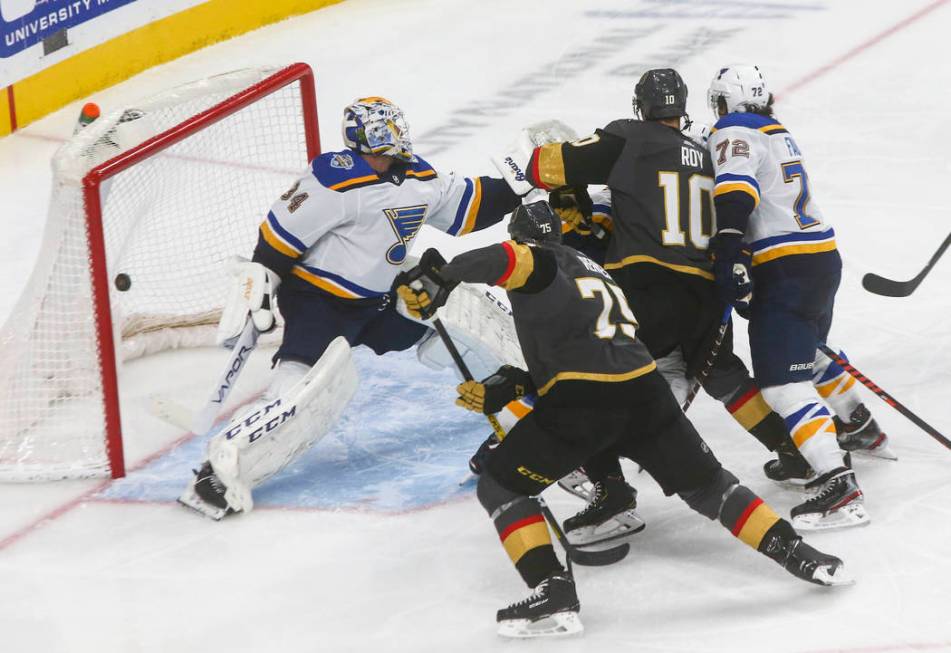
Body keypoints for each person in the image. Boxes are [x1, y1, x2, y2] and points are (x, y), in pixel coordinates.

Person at [395, 201, 850, 638]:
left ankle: (552, 593)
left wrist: (443, 277)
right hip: (645, 392)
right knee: (712, 487)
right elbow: (577, 349)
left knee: (501, 483)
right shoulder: (593, 271)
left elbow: (512, 258)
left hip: (584, 401)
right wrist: (509, 385)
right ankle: (798, 553)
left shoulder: (541, 261)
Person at [179, 96, 523, 519]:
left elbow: (470, 206)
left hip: (378, 302)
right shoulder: (333, 181)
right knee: (301, 392)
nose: (391, 145)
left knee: (454, 320)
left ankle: (520, 414)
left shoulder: (418, 176)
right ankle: (219, 471)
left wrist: (521, 185)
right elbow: (279, 236)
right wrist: (263, 279)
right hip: (318, 305)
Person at [508, 68, 799, 540]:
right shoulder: (708, 150)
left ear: (641, 105)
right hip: (705, 294)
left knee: (587, 374)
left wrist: (562, 186)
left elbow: (542, 165)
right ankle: (792, 450)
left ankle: (612, 495)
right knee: (723, 372)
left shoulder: (630, 137)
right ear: (682, 107)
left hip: (648, 290)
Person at [705, 64, 891, 531]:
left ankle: (838, 485)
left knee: (783, 385)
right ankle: (858, 424)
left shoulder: (733, 129)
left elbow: (736, 190)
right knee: (806, 353)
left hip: (785, 266)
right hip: (820, 258)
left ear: (725, 102)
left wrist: (728, 249)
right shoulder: (777, 130)